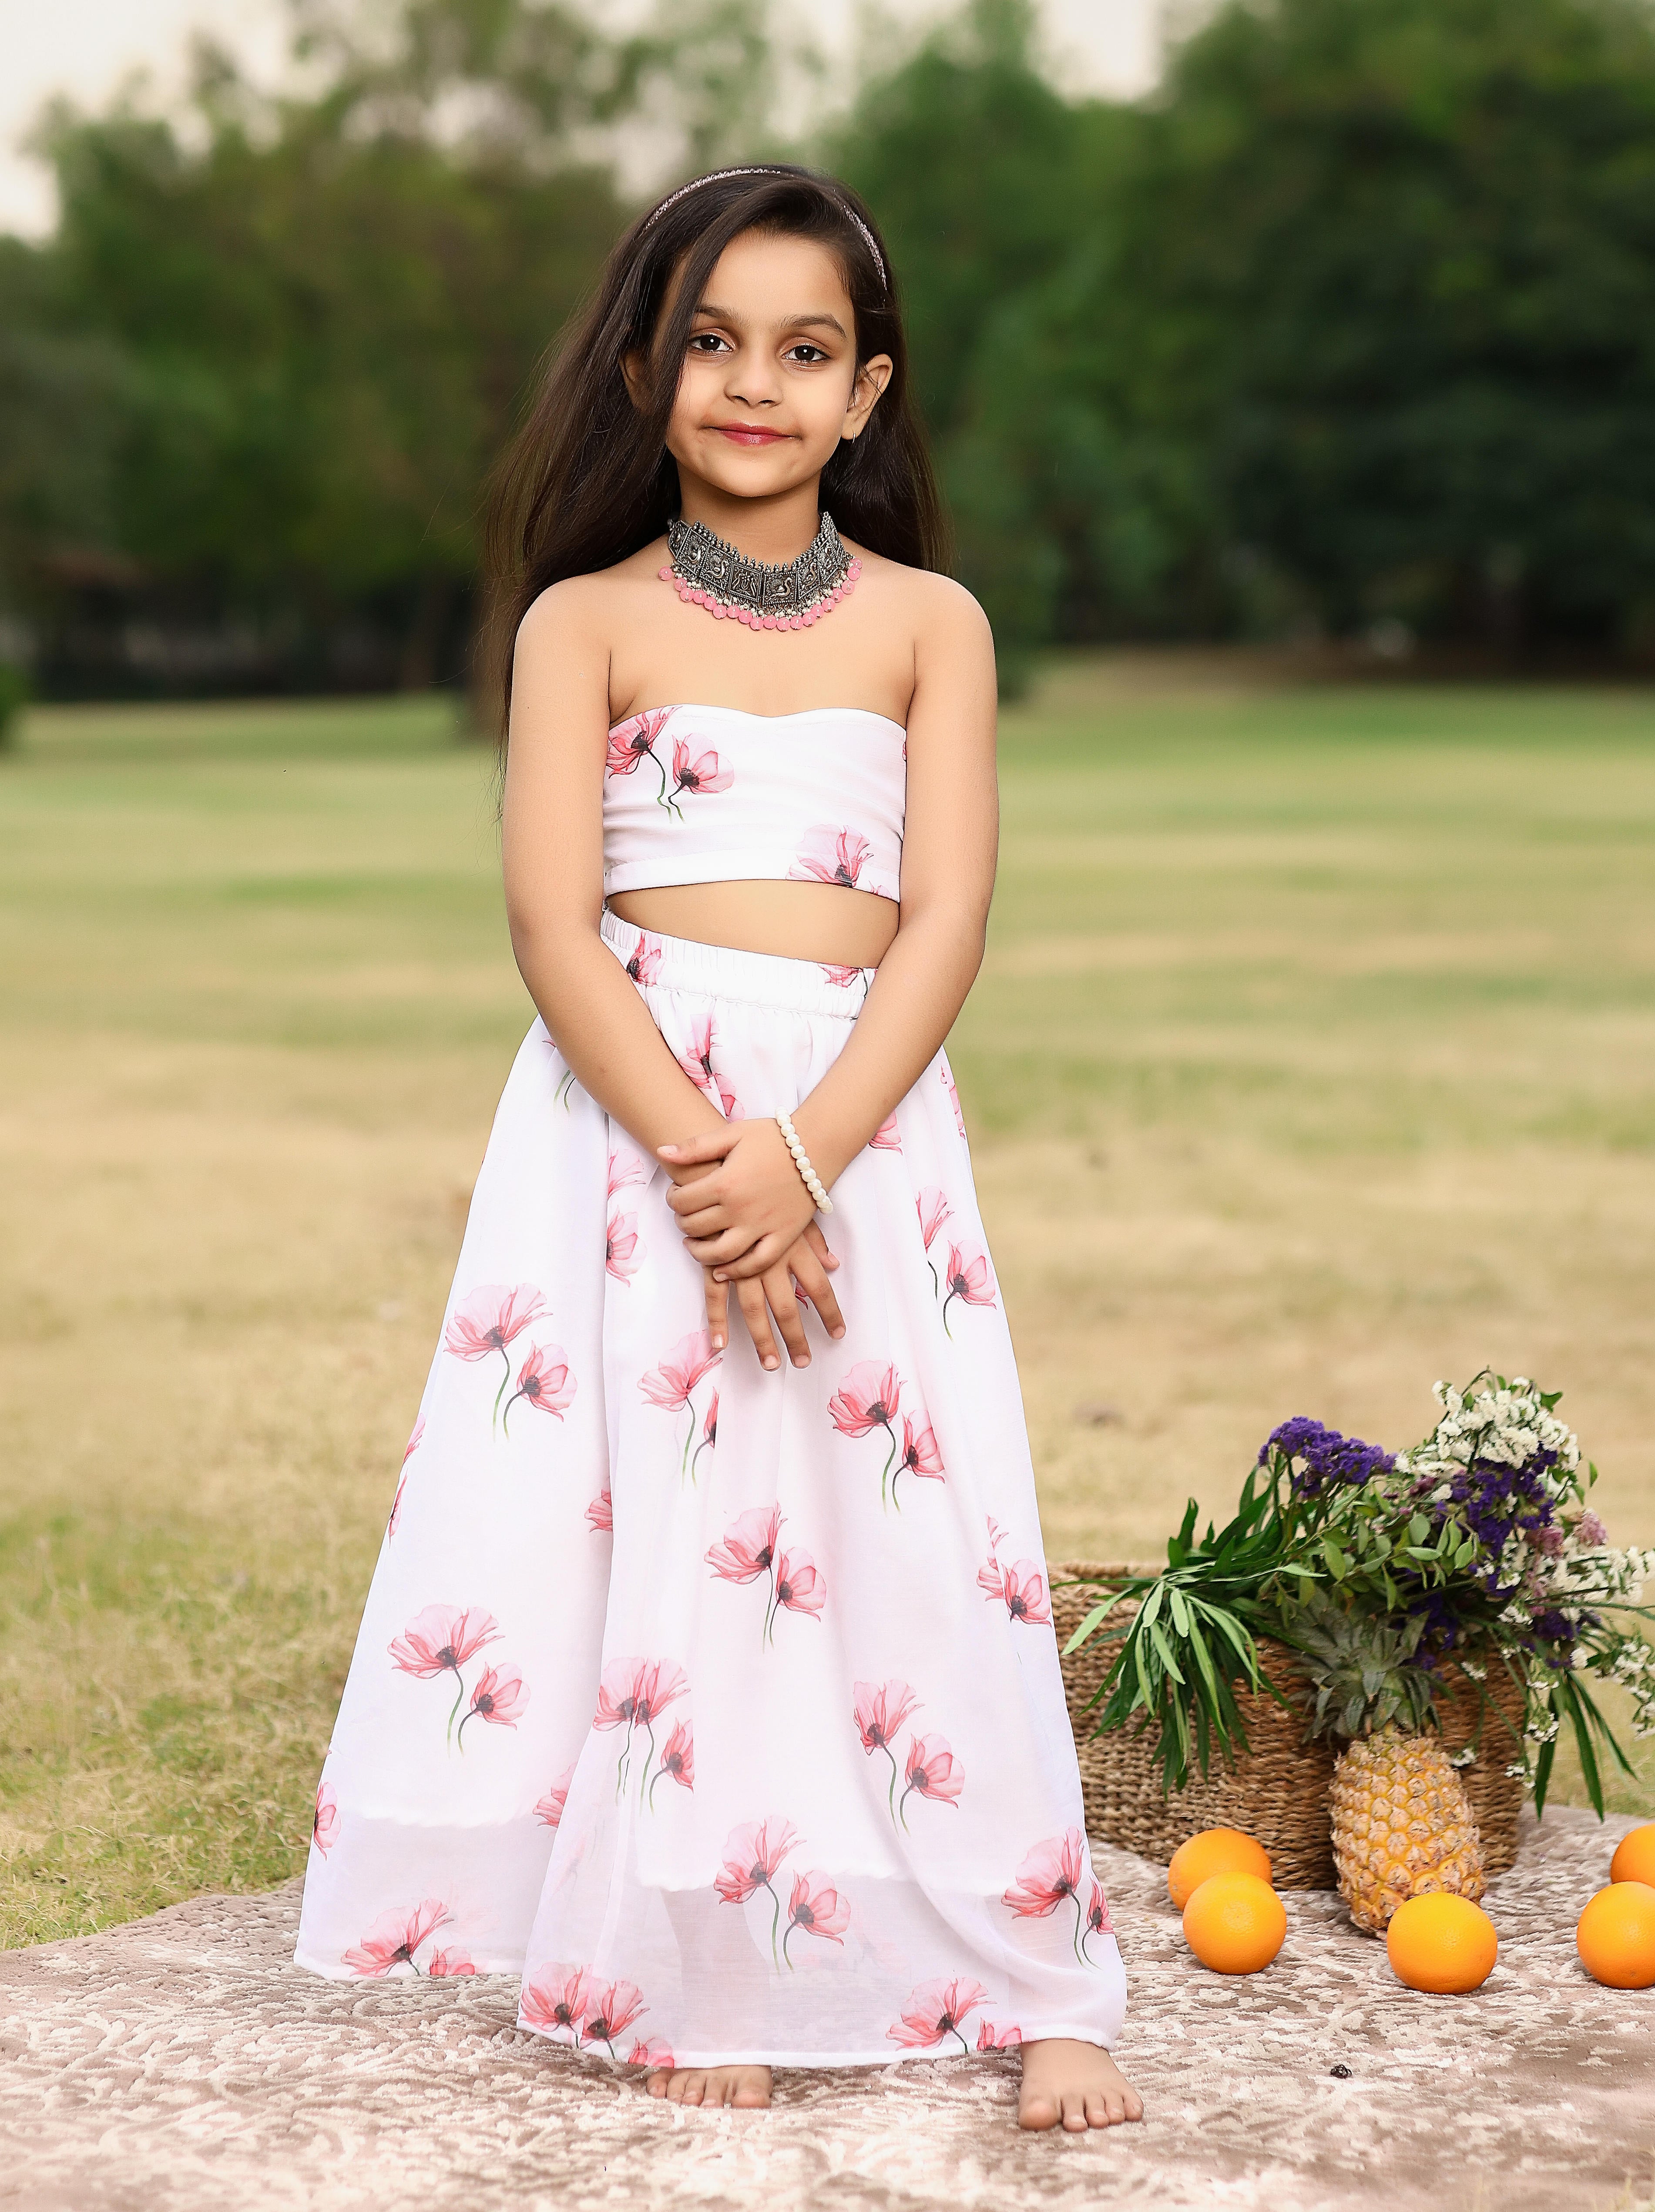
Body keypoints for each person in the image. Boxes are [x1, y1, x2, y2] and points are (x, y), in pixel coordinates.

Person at [294, 164, 1142, 2136]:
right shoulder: (583, 624)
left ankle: (1032, 1957)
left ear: (868, 393)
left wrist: (809, 1158)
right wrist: (709, 1160)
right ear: (647, 364)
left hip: (859, 1128)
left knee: (915, 1530)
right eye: (714, 341)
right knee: (681, 1529)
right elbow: (548, 921)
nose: (756, 382)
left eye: (808, 350)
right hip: (637, 1122)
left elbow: (945, 919)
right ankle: (702, 1946)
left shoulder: (934, 625)